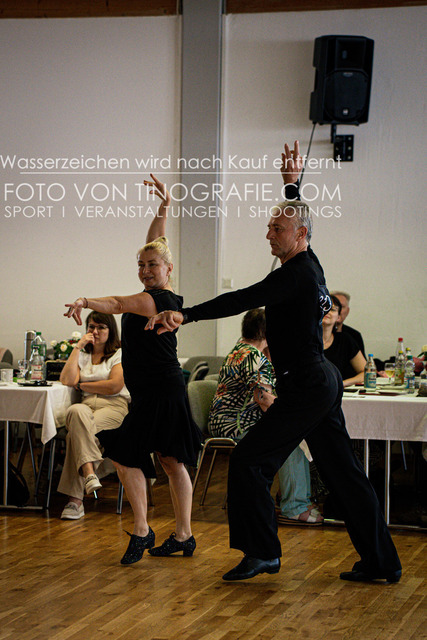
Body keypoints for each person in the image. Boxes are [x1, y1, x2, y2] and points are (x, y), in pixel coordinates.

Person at [146, 141, 402, 584]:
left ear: (298, 235)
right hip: (319, 382)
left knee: (249, 460)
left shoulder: (295, 275)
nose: (268, 234)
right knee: (343, 474)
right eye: (268, 227)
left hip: (307, 384)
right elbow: (301, 219)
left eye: (276, 229)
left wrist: (185, 314)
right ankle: (383, 562)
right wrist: (291, 185)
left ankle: (263, 553)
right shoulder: (310, 261)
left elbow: (240, 299)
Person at [64, 174, 202, 564]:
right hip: (150, 392)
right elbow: (156, 241)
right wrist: (164, 207)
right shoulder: (154, 289)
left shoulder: (156, 300)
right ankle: (175, 534)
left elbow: (116, 303)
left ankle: (151, 531)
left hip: (162, 390)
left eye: (152, 265)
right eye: (140, 265)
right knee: (161, 459)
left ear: (169, 268)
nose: (145, 269)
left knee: (141, 455)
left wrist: (85, 300)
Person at [209, 308, 322, 525]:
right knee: (291, 440)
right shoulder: (253, 357)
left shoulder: (240, 350)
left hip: (227, 420)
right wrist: (289, 421)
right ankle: (295, 506)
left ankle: (296, 499)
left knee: (293, 435)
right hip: (236, 424)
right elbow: (263, 398)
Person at [58, 311, 130, 520]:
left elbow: (114, 386)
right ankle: (90, 475)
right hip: (87, 406)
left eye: (101, 327)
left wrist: (82, 385)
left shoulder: (119, 354)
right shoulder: (83, 355)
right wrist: (77, 347)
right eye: (91, 327)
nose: (95, 331)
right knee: (75, 411)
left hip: (114, 406)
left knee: (76, 435)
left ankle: (75, 501)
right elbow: (66, 380)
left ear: (110, 330)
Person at [322, 295, 366, 387]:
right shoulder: (306, 340)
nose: (328, 312)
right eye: (324, 308)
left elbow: (367, 372)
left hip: (341, 392)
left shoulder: (345, 340)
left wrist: (342, 384)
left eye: (332, 309)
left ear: (338, 317)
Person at [330, 291, 366, 358]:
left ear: (347, 311)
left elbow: (364, 364)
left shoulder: (354, 336)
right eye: (334, 308)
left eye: (341, 306)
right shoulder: (316, 334)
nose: (338, 310)